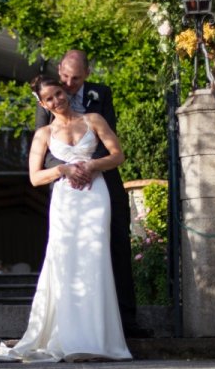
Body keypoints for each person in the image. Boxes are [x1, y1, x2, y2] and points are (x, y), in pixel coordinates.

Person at [0, 75, 131, 362]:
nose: (57, 100)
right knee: (65, 260)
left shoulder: (93, 119)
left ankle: (99, 339)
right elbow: (35, 177)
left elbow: (118, 156)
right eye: (49, 98)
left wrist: (91, 165)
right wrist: (63, 171)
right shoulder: (43, 134)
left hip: (94, 194)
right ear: (42, 104)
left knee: (95, 258)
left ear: (64, 92)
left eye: (58, 93)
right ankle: (67, 336)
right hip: (65, 199)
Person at [35, 49, 149, 338]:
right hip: (67, 189)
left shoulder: (101, 95)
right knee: (70, 253)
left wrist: (89, 168)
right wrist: (67, 169)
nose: (68, 84)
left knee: (117, 246)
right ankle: (72, 323)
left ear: (87, 74)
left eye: (75, 78)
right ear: (58, 69)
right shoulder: (47, 97)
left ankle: (125, 321)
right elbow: (43, 147)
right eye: (64, 76)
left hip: (103, 182)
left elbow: (107, 136)